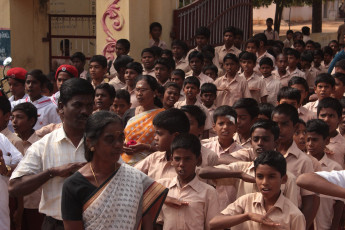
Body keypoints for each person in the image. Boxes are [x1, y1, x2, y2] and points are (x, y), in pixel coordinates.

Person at [9, 78, 95, 229]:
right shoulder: (43, 146)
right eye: (78, 105)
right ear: (61, 107)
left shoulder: (101, 143)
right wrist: (52, 172)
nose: (85, 111)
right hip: (56, 225)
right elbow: (14, 187)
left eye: (89, 105)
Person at [61, 111, 168, 230]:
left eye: (121, 138)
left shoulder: (136, 178)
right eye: (109, 139)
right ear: (90, 142)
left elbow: (146, 222)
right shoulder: (73, 185)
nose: (118, 145)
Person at [209, 150, 305, 230]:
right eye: (260, 176)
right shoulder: (246, 201)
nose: (265, 182)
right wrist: (247, 216)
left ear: (283, 179)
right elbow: (213, 223)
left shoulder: (294, 215)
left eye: (271, 177)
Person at [156, 133, 220, 230]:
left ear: (198, 160)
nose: (181, 164)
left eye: (187, 159)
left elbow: (212, 226)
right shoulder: (162, 186)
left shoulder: (208, 192)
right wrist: (163, 198)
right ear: (171, 159)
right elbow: (157, 222)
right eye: (177, 159)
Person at [271, 103, 318, 228]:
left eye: (284, 124)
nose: (279, 128)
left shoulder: (303, 161)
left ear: (295, 126)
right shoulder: (264, 154)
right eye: (275, 124)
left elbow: (309, 201)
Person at [305, 119, 343, 230]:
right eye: (308, 140)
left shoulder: (334, 168)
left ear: (326, 141)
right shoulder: (302, 163)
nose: (310, 144)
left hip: (325, 223)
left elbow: (339, 202)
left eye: (315, 140)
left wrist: (334, 226)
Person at [11, 102, 44, 230]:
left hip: (35, 203)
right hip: (15, 203)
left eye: (19, 117)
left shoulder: (41, 144)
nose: (14, 121)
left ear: (31, 121)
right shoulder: (11, 142)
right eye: (12, 117)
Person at [121, 75, 164, 165]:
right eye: (137, 90)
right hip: (124, 162)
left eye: (143, 90)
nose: (139, 93)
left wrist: (145, 147)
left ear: (154, 93)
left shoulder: (162, 115)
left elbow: (166, 148)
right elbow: (121, 138)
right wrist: (123, 146)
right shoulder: (129, 113)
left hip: (150, 164)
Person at [317, 97, 345, 168]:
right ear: (317, 117)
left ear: (339, 119)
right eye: (323, 115)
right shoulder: (307, 141)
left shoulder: (343, 144)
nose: (326, 119)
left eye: (331, 116)